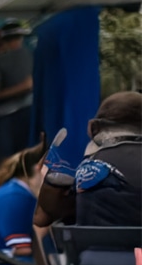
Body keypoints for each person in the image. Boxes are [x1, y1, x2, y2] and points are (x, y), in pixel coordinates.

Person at [35, 90, 142, 228]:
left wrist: (52, 181)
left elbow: (41, 218)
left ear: (92, 128)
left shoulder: (87, 167)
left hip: (93, 246)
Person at [0, 20, 35, 168]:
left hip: (5, 118)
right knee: (28, 158)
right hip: (30, 112)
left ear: (3, 40)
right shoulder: (32, 56)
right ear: (20, 38)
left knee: (5, 162)